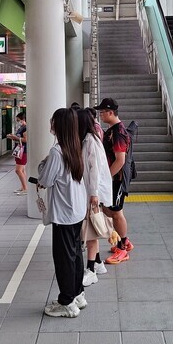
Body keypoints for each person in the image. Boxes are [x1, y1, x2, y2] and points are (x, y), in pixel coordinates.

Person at [38, 107, 87, 318]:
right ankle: (77, 294)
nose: (50, 124)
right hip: (76, 210)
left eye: (53, 121)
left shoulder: (57, 152)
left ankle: (66, 302)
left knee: (63, 258)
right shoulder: (75, 146)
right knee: (75, 254)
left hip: (64, 214)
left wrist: (43, 165)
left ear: (59, 126)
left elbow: (45, 180)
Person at [95, 98, 133, 264]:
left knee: (116, 212)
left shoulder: (118, 132)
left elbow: (120, 160)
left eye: (102, 112)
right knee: (109, 210)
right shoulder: (111, 129)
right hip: (112, 178)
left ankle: (122, 248)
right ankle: (124, 241)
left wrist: (106, 177)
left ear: (110, 112)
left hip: (117, 178)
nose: (100, 115)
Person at [77, 108, 112, 286]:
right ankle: (98, 263)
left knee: (90, 231)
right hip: (91, 191)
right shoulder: (87, 139)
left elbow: (94, 169)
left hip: (93, 192)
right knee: (92, 228)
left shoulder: (90, 140)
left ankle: (90, 269)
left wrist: (94, 194)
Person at [7, 111, 28, 195]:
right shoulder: (22, 127)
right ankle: (24, 187)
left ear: (23, 119)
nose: (18, 122)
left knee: (18, 170)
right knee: (22, 170)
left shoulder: (25, 127)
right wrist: (14, 137)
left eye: (19, 120)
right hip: (20, 150)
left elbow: (26, 140)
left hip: (23, 151)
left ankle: (25, 188)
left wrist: (14, 137)